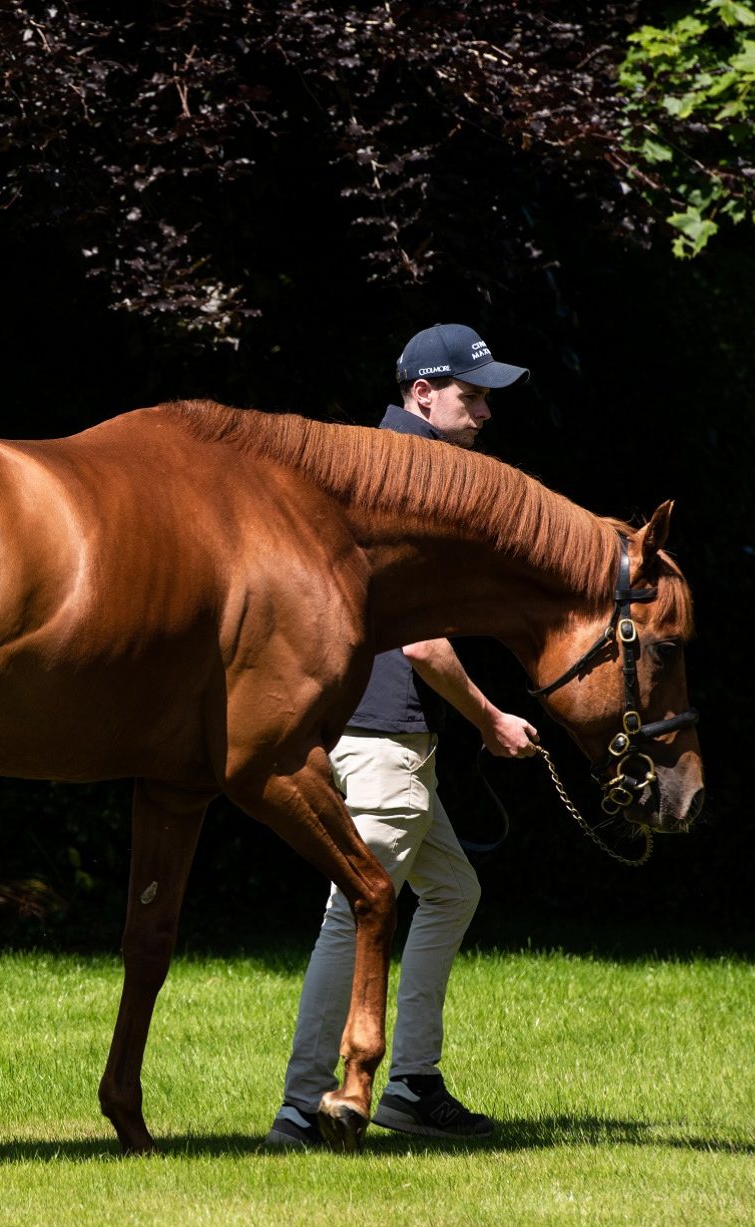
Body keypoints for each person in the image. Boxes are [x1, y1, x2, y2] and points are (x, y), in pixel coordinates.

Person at [265, 323, 540, 1148]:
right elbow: (419, 641)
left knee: (454, 890)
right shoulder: (404, 478)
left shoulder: (386, 462)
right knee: (352, 910)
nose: (487, 409)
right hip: (382, 734)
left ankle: (413, 1084)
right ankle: (302, 1105)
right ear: (422, 393)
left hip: (381, 730)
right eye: (473, 392)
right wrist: (488, 717)